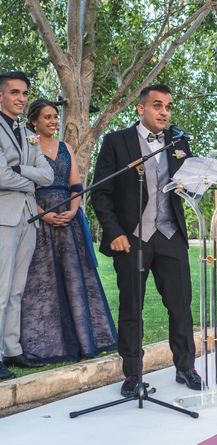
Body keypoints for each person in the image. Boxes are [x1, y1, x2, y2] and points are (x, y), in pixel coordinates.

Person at [91, 84, 201, 397]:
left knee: (181, 306)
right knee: (131, 309)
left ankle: (186, 367)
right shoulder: (116, 142)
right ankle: (133, 375)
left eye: (168, 106)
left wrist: (197, 182)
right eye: (157, 105)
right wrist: (114, 232)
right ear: (141, 109)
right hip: (133, 238)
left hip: (170, 236)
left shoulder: (178, 142)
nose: (164, 111)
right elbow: (100, 192)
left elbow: (187, 187)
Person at [19, 99, 117, 363]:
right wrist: (43, 213)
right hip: (39, 217)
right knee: (43, 279)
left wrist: (74, 210)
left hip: (69, 218)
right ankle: (46, 344)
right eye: (47, 117)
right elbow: (25, 186)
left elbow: (76, 185)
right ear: (34, 122)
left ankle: (87, 339)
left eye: (55, 117)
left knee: (76, 277)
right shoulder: (27, 147)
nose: (53, 121)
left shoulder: (65, 148)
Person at [0, 71, 54, 380]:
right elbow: (0, 176)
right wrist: (27, 177)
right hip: (3, 218)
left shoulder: (26, 132)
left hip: (27, 218)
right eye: (15, 92)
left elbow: (46, 175)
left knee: (17, 289)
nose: (21, 98)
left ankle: (13, 349)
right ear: (1, 96)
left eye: (24, 93)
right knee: (1, 289)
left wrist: (19, 168)